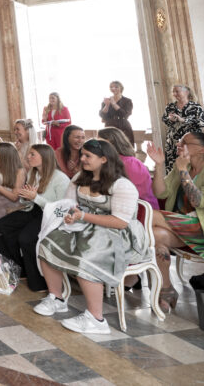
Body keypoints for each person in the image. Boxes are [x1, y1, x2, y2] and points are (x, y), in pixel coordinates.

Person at [35, 139, 148, 335]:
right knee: (48, 242)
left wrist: (84, 216)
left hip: (118, 235)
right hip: (86, 226)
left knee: (86, 255)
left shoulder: (121, 185)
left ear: (104, 159)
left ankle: (96, 319)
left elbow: (121, 222)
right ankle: (57, 298)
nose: (82, 159)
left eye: (88, 156)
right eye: (82, 155)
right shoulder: (80, 177)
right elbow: (70, 203)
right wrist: (71, 215)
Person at [147, 133, 204, 313]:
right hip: (186, 227)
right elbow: (160, 193)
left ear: (202, 150)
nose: (179, 145)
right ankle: (167, 288)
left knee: (152, 216)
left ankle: (125, 255)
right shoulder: (183, 165)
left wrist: (183, 171)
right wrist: (158, 165)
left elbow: (199, 201)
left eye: (185, 142)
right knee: (156, 235)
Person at [0, 144, 70, 291]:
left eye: (32, 154)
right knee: (1, 226)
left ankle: (39, 282)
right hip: (35, 210)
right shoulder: (33, 174)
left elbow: (61, 208)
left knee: (26, 238)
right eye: (29, 154)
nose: (28, 157)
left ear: (45, 158)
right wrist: (27, 197)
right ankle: (18, 268)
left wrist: (36, 197)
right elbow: (28, 201)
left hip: (52, 216)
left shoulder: (60, 178)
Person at [98, 127, 155, 208]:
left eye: (101, 143)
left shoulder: (130, 163)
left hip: (142, 212)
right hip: (123, 207)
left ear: (114, 143)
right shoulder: (110, 161)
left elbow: (130, 195)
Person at [162, 84, 204, 173]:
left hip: (191, 143)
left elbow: (202, 123)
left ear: (186, 92)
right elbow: (164, 120)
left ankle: (190, 185)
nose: (174, 94)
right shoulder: (170, 107)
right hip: (173, 142)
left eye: (177, 91)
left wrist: (184, 120)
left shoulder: (196, 107)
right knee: (172, 168)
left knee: (191, 166)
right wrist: (170, 119)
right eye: (173, 92)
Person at [99, 81, 135, 146]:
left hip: (123, 125)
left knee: (125, 147)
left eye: (116, 87)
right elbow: (102, 115)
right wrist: (107, 105)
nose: (113, 88)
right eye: (111, 87)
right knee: (110, 147)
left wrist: (114, 104)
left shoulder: (127, 101)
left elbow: (125, 114)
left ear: (121, 88)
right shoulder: (107, 100)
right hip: (110, 125)